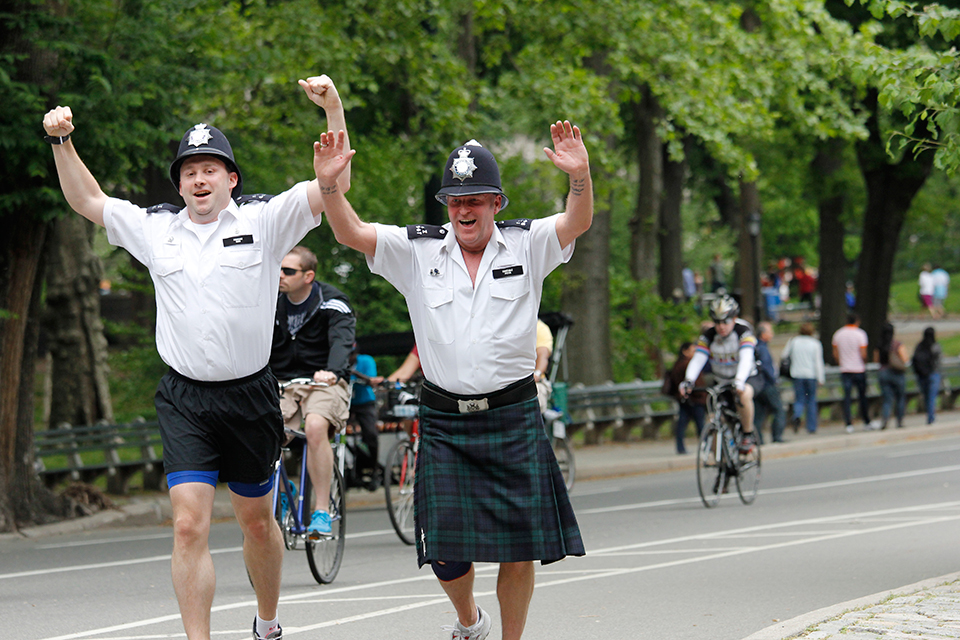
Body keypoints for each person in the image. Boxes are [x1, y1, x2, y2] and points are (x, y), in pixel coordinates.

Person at [42, 75, 351, 640]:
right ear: (180, 185)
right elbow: (87, 200)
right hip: (185, 397)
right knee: (188, 525)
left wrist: (332, 109)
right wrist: (62, 141)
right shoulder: (156, 229)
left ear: (231, 178)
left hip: (251, 394)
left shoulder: (265, 220)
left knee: (257, 524)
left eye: (210, 168)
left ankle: (267, 622)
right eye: (189, 170)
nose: (199, 178)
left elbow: (333, 179)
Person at [312, 121, 589, 640]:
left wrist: (580, 177)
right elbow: (350, 231)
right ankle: (470, 621)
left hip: (512, 412)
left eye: (478, 199)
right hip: (444, 418)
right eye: (456, 199)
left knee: (519, 544)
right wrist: (329, 185)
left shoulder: (526, 244)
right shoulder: (416, 250)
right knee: (441, 546)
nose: (465, 209)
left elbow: (577, 221)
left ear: (497, 203)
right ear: (446, 204)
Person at [270, 246, 356, 535]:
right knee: (262, 429)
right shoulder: (270, 302)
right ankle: (285, 489)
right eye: (278, 270)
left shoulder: (332, 302)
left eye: (288, 271)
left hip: (324, 381)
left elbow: (342, 340)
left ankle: (321, 510)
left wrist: (333, 370)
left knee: (317, 426)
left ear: (308, 276)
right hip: (284, 383)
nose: (280, 276)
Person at [679, 295, 761, 453]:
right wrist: (688, 380)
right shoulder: (709, 336)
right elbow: (698, 360)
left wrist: (739, 381)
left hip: (747, 376)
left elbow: (746, 358)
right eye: (717, 322)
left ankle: (747, 433)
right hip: (722, 380)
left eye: (725, 321)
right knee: (714, 419)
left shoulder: (743, 331)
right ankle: (721, 461)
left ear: (734, 318)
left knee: (743, 396)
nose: (721, 326)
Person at [780, 322, 825, 434]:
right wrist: (821, 378)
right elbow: (818, 362)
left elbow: (783, 355)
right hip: (811, 375)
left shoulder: (794, 342)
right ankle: (811, 427)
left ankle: (797, 415)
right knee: (811, 400)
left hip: (797, 374)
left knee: (799, 399)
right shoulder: (815, 343)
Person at [350, 345, 385, 489]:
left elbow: (372, 380)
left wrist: (352, 372)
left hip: (365, 402)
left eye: (351, 355)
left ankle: (374, 470)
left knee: (370, 435)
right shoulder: (338, 361)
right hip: (346, 402)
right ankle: (350, 470)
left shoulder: (366, 361)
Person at [832, 312, 872, 434]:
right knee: (862, 397)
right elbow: (863, 353)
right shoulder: (860, 334)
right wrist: (864, 362)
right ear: (857, 321)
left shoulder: (838, 334)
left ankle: (848, 423)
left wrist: (841, 362)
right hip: (858, 369)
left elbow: (835, 352)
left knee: (847, 397)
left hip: (845, 369)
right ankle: (866, 421)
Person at [663, 342, 706, 455]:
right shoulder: (689, 365)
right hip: (694, 399)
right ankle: (705, 446)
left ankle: (680, 447)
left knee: (682, 424)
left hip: (682, 399)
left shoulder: (677, 364)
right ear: (685, 351)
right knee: (700, 424)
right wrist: (701, 394)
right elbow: (697, 383)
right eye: (693, 351)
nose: (695, 353)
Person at [753, 322, 787, 444]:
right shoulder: (762, 349)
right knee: (779, 410)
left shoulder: (755, 347)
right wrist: (774, 380)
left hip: (757, 385)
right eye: (770, 332)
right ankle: (777, 436)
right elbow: (766, 367)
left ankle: (758, 440)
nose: (772, 334)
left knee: (758, 414)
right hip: (767, 385)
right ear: (763, 334)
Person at [876, 322, 908, 429]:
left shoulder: (879, 345)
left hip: (883, 372)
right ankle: (899, 421)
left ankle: (885, 420)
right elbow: (905, 359)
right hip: (896, 373)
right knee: (900, 398)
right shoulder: (897, 344)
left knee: (887, 399)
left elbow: (876, 360)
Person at [912, 326, 942, 425]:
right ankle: (931, 417)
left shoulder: (919, 346)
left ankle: (929, 415)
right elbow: (939, 362)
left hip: (921, 375)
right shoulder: (935, 346)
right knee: (932, 397)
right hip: (933, 374)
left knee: (926, 397)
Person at [535, 319, 554, 413]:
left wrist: (537, 374)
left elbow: (543, 356)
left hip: (534, 382)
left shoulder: (540, 328)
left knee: (536, 394)